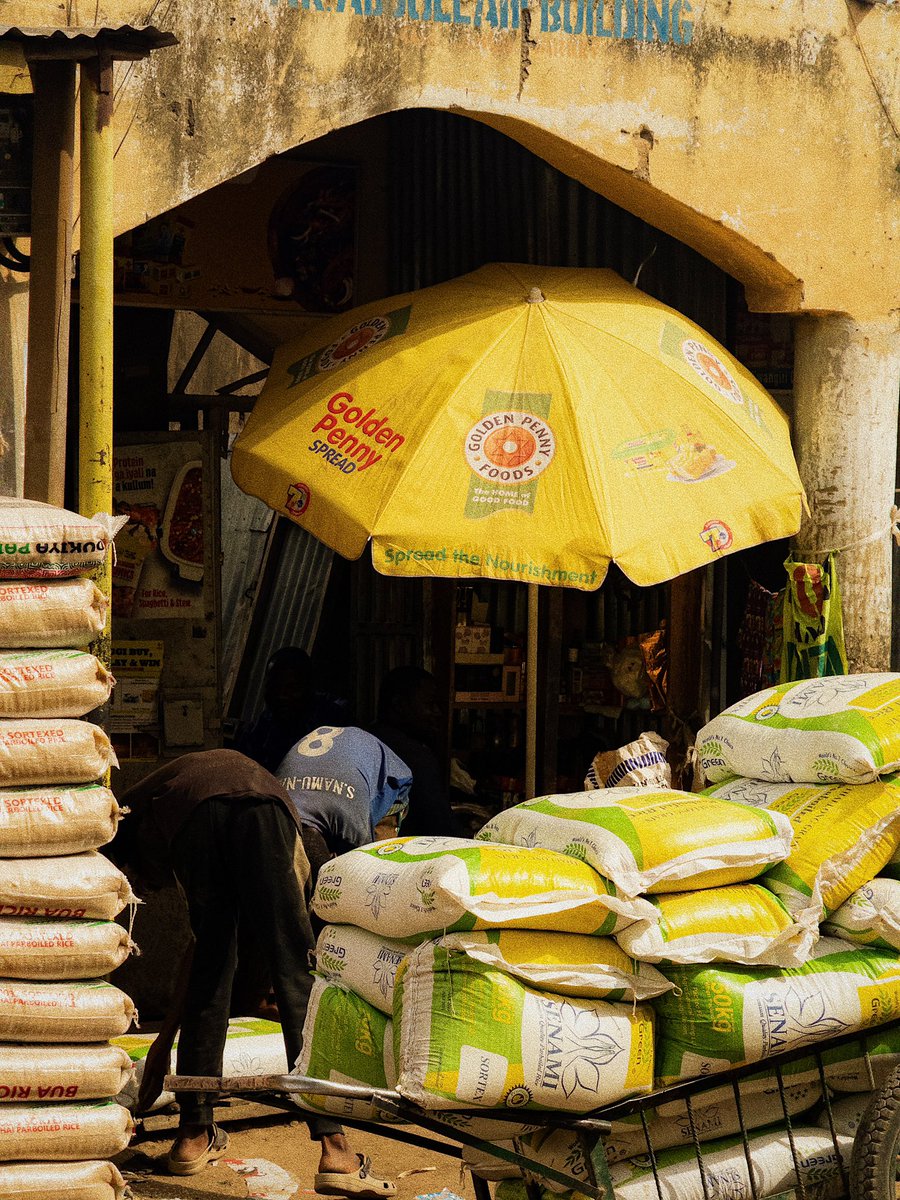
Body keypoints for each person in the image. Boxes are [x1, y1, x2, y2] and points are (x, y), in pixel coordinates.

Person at [111, 748, 396, 1194]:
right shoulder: (147, 817)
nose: (150, 888)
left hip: (211, 809)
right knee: (294, 975)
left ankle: (191, 1134)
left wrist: (167, 1044)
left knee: (243, 970)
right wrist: (163, 1044)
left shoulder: (119, 832)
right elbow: (199, 953)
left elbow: (202, 959)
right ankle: (335, 1149)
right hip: (259, 805)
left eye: (143, 883)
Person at [369, 667, 457, 837]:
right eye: (429, 704)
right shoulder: (416, 758)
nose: (437, 713)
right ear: (399, 705)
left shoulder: (365, 741)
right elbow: (442, 827)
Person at [236, 646, 350, 773]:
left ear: (308, 687)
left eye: (292, 688)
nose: (282, 695)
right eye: (274, 687)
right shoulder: (261, 729)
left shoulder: (334, 721)